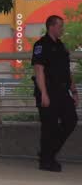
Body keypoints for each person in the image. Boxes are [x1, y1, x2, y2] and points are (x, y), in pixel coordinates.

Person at [32, 14, 77, 172]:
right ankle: (46, 161)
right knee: (49, 127)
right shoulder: (41, 45)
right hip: (48, 91)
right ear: (51, 26)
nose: (62, 29)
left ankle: (47, 153)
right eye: (60, 26)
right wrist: (44, 93)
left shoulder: (61, 46)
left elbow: (67, 71)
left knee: (71, 120)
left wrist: (74, 91)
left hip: (63, 92)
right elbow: (39, 70)